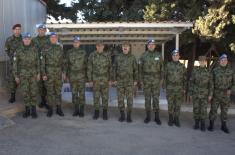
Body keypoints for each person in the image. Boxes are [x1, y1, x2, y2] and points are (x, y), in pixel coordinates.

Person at [13, 32, 40, 118]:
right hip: (23, 74)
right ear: (23, 40)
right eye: (25, 39)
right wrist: (16, 76)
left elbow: (38, 62)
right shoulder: (18, 50)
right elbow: (15, 63)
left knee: (33, 91)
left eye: (28, 39)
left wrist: (39, 73)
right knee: (25, 92)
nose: (27, 40)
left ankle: (34, 110)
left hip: (33, 73)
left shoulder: (35, 49)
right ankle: (27, 110)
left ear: (30, 40)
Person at [208, 54, 235, 134]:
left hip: (226, 94)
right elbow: (211, 83)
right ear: (219, 61)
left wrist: (231, 89)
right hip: (216, 93)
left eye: (225, 60)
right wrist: (211, 94)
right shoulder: (215, 71)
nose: (224, 62)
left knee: (225, 110)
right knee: (213, 110)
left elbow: (234, 83)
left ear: (227, 61)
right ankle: (211, 125)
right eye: (222, 60)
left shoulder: (231, 71)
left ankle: (224, 126)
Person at [139, 39, 164, 124]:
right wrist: (141, 80)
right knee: (147, 99)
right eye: (150, 44)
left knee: (156, 99)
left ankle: (157, 117)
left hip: (156, 80)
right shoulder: (143, 55)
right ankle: (148, 116)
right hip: (146, 79)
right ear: (147, 46)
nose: (151, 46)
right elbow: (140, 69)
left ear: (155, 46)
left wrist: (162, 79)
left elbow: (162, 68)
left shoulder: (159, 55)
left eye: (153, 44)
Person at [41, 32, 66, 117]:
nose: (53, 38)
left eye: (55, 37)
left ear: (57, 38)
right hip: (49, 72)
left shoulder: (60, 48)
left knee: (58, 91)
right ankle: (50, 109)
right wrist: (43, 74)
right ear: (50, 38)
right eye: (52, 37)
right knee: (50, 91)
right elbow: (42, 62)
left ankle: (59, 109)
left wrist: (64, 72)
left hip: (58, 72)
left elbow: (63, 61)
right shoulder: (45, 48)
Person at [113, 41, 138, 122]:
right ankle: (122, 115)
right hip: (120, 81)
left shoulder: (132, 57)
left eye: (127, 46)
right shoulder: (118, 57)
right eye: (124, 46)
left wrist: (135, 80)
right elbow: (114, 69)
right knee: (120, 99)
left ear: (129, 48)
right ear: (122, 47)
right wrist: (115, 79)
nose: (125, 47)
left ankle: (129, 116)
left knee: (130, 99)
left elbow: (135, 69)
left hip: (129, 82)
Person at [87, 41, 112, 120]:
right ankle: (96, 112)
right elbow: (89, 68)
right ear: (96, 46)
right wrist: (90, 80)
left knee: (105, 97)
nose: (99, 47)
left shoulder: (107, 55)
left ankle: (105, 113)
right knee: (96, 96)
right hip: (95, 80)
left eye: (101, 46)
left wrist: (110, 79)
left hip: (105, 79)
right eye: (98, 46)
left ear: (103, 46)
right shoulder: (92, 55)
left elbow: (110, 68)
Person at [189, 56, 213, 131]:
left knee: (203, 109)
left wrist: (210, 94)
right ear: (199, 62)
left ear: (205, 61)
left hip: (204, 94)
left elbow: (211, 84)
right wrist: (190, 93)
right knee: (196, 108)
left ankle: (203, 124)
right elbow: (191, 82)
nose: (202, 62)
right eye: (200, 61)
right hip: (196, 93)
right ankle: (196, 123)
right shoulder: (195, 70)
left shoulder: (208, 71)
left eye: (203, 61)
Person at [66, 36, 87, 117]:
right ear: (73, 43)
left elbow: (86, 64)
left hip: (81, 76)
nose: (76, 43)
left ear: (79, 43)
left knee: (81, 93)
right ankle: (76, 109)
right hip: (72, 76)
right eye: (74, 42)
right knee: (74, 93)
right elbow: (66, 64)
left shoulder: (83, 52)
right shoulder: (69, 52)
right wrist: (67, 75)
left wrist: (86, 76)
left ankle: (81, 110)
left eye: (77, 42)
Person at [164, 49, 186, 127]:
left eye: (177, 55)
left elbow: (185, 78)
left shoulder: (182, 66)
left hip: (179, 88)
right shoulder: (168, 65)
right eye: (174, 55)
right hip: (170, 88)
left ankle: (176, 119)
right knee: (170, 104)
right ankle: (170, 118)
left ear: (179, 56)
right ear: (172, 56)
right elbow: (165, 77)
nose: (175, 57)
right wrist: (165, 87)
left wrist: (184, 88)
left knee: (178, 104)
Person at [32, 23, 50, 109]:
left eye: (43, 30)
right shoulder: (34, 40)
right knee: (40, 84)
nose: (41, 31)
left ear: (45, 31)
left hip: (47, 65)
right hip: (37, 64)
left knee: (47, 84)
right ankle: (42, 101)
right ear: (37, 31)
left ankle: (47, 101)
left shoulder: (49, 39)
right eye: (40, 30)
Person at [5, 24, 23, 103]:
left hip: (22, 63)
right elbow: (6, 49)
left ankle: (25, 96)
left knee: (23, 79)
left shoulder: (24, 39)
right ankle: (13, 96)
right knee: (12, 79)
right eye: (16, 29)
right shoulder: (9, 40)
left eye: (19, 29)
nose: (17, 30)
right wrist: (13, 57)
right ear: (13, 30)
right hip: (13, 63)